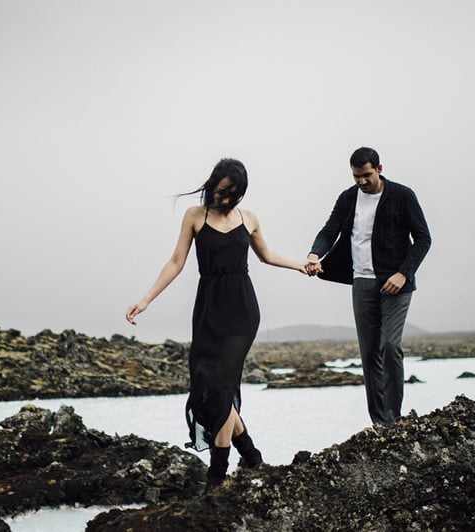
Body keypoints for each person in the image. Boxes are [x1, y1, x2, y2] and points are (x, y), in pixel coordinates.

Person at [126, 158, 306, 492]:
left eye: (230, 194)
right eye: (219, 191)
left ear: (239, 195)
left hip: (241, 310)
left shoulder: (248, 219)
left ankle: (217, 477)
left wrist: (300, 265)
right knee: (207, 386)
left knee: (223, 388)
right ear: (211, 184)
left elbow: (266, 255)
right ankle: (252, 458)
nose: (222, 199)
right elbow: (176, 261)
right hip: (208, 310)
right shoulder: (195, 216)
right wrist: (147, 299)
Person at [305, 147, 431, 426]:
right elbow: (330, 230)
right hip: (362, 281)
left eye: (366, 175)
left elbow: (423, 239)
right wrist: (315, 253)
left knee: (389, 346)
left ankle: (394, 418)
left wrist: (403, 274)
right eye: (356, 177)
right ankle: (379, 423)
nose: (361, 182)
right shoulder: (348, 198)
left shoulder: (403, 195)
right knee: (369, 352)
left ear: (379, 169)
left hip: (396, 283)